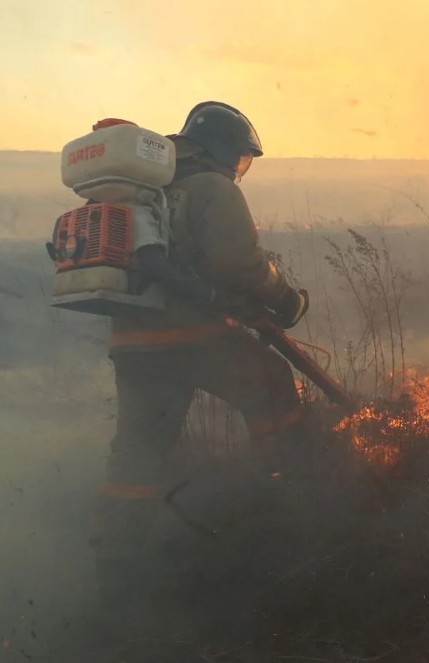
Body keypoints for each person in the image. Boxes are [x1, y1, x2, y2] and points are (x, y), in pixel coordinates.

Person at [92, 101, 310, 608]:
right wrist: (286, 300)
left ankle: (115, 573)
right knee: (272, 384)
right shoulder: (211, 187)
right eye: (239, 157)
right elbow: (241, 263)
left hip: (134, 345)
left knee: (136, 455)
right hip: (192, 336)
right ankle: (296, 498)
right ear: (221, 150)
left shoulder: (148, 189)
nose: (239, 168)